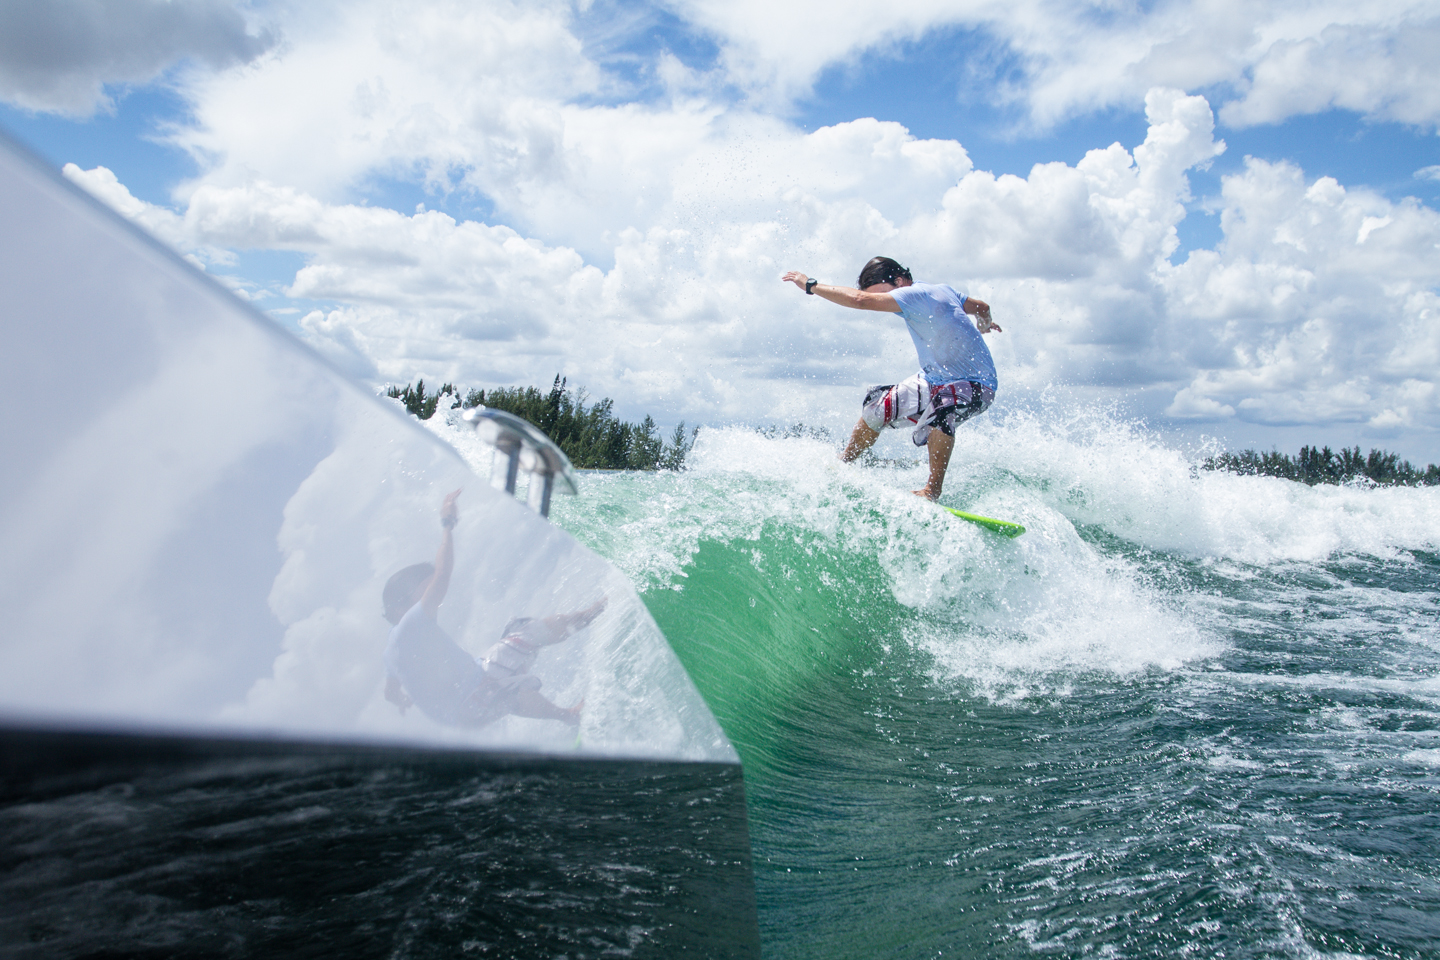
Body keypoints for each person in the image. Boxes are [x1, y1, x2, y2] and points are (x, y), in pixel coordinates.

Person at [782, 256, 1003, 501]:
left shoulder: (914, 294)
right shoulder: (942, 290)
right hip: (934, 379)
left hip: (976, 384)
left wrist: (810, 285)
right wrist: (984, 323)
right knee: (878, 406)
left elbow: (860, 300)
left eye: (884, 296)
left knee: (943, 408)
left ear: (899, 281)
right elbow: (982, 306)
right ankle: (844, 464)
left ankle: (932, 491)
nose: (885, 304)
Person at [380, 489, 605, 728]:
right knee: (509, 675)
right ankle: (570, 713)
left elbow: (389, 692)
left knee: (518, 639)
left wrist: (403, 700)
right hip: (471, 700)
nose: (429, 594)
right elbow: (442, 573)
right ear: (399, 607)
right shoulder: (411, 624)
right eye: (422, 589)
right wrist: (448, 523)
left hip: (471, 695)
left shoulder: (392, 649)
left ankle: (568, 710)